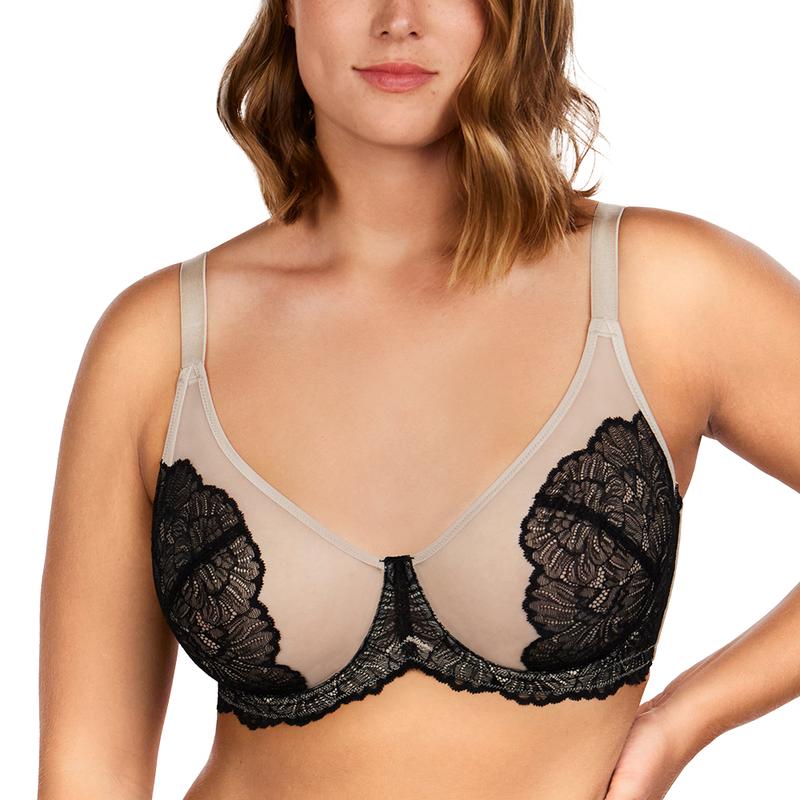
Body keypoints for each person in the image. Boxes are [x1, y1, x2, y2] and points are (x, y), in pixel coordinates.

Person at [38, 2, 800, 799]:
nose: (399, 18)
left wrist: (683, 720)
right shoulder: (158, 346)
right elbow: (89, 771)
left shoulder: (663, 292)